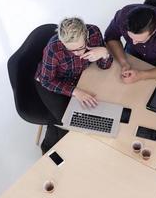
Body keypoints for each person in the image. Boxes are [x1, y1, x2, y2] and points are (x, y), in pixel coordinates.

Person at [35, 17, 113, 153]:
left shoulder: (94, 32)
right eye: (71, 50)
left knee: (93, 113)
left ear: (86, 36)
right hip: (52, 84)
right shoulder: (53, 48)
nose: (77, 53)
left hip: (78, 78)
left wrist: (104, 53)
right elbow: (47, 80)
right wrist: (76, 91)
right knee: (67, 123)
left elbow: (104, 66)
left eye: (80, 48)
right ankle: (48, 148)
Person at [104, 4, 156, 84]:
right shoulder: (123, 15)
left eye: (139, 40)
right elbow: (111, 37)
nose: (133, 42)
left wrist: (140, 75)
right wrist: (123, 62)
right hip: (131, 56)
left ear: (154, 31)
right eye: (131, 37)